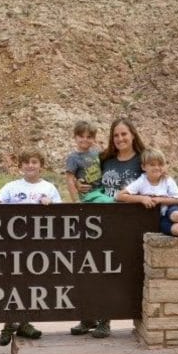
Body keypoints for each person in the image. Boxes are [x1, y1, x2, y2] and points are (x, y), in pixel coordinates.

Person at [72, 117, 146, 339]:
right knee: (93, 268)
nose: (120, 138)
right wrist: (79, 184)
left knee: (118, 272)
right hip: (101, 222)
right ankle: (90, 317)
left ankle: (106, 318)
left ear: (132, 135)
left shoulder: (143, 160)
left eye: (124, 134)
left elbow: (160, 180)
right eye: (116, 135)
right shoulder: (105, 159)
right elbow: (90, 181)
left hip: (131, 222)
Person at [0, 149, 61, 346]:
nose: (30, 165)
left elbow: (62, 214)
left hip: (39, 247)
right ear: (20, 166)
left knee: (31, 285)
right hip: (13, 246)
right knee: (11, 284)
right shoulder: (11, 187)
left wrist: (51, 205)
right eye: (26, 162)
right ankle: (7, 325)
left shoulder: (49, 188)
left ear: (41, 165)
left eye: (34, 161)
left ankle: (24, 323)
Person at [115, 148, 178, 238]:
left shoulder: (167, 180)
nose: (157, 167)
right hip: (159, 217)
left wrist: (160, 200)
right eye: (152, 165)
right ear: (144, 167)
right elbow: (119, 196)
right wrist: (142, 198)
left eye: (160, 164)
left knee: (175, 215)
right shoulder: (141, 181)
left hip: (171, 209)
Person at [64, 120, 111, 203]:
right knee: (107, 202)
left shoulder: (97, 152)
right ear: (75, 137)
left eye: (89, 137)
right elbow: (69, 180)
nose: (85, 139)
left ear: (94, 138)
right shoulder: (73, 158)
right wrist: (76, 200)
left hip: (101, 189)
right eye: (81, 136)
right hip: (88, 194)